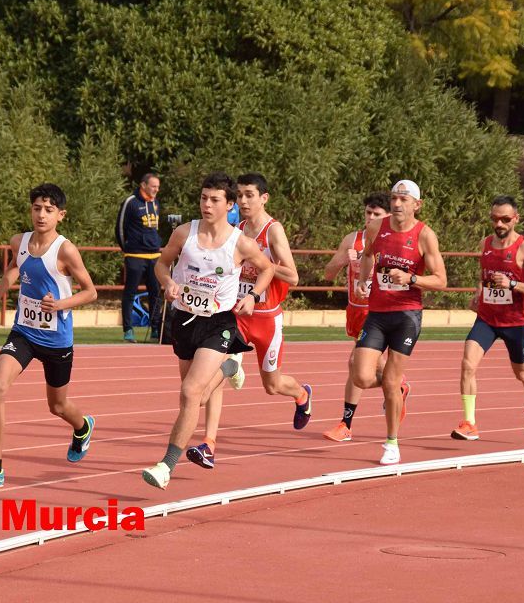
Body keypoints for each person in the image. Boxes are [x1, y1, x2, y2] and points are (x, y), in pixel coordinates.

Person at [141, 172, 274, 489]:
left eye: (215, 200)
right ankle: (230, 365)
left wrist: (252, 296)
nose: (207, 205)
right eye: (203, 198)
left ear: (229, 205)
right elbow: (161, 264)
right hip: (185, 321)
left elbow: (268, 268)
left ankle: (166, 466)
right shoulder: (184, 233)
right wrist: (168, 282)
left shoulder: (240, 243)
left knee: (190, 392)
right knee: (194, 399)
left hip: (219, 323)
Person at [0, 183, 99, 491]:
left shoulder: (66, 250)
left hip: (57, 340)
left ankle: (82, 426)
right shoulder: (20, 241)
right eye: (37, 208)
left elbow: (91, 292)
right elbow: (15, 270)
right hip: (24, 332)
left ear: (60, 215)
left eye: (49, 210)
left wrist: (61, 304)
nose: (41, 215)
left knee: (57, 406)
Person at [185, 172, 313, 470]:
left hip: (267, 318)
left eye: (249, 195)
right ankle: (209, 445)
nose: (242, 201)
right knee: (207, 385)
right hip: (237, 317)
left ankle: (302, 394)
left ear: (263, 198)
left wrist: (262, 264)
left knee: (272, 385)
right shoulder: (235, 229)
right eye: (239, 195)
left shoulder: (273, 231)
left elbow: (292, 276)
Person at [350, 179, 447, 465]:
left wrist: (411, 278)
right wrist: (363, 281)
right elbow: (368, 255)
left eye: (404, 199)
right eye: (394, 198)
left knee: (390, 381)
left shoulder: (424, 235)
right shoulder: (376, 227)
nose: (397, 203)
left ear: (417, 205)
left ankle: (391, 442)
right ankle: (398, 389)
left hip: (407, 315)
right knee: (361, 376)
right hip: (378, 314)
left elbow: (441, 280)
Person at [452, 195, 524, 440]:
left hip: (513, 323)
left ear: (516, 219)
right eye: (495, 219)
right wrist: (478, 294)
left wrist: (513, 284)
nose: (500, 224)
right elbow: (484, 275)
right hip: (486, 319)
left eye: (505, 219)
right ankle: (469, 423)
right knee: (467, 365)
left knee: (522, 373)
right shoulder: (485, 243)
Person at [322, 191, 391, 442]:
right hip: (355, 310)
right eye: (368, 213)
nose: (371, 217)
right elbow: (328, 275)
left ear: (388, 216)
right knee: (375, 367)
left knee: (355, 365)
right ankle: (397, 386)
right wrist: (342, 259)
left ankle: (345, 424)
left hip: (380, 312)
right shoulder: (353, 239)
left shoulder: (392, 242)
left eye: (377, 214)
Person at [116, 173, 163, 342]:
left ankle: (156, 328)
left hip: (155, 255)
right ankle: (128, 329)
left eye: (158, 186)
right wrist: (127, 248)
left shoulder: (156, 202)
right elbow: (120, 229)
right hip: (135, 254)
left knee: (156, 293)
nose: (156, 189)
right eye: (153, 186)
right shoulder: (131, 202)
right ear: (143, 185)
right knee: (129, 292)